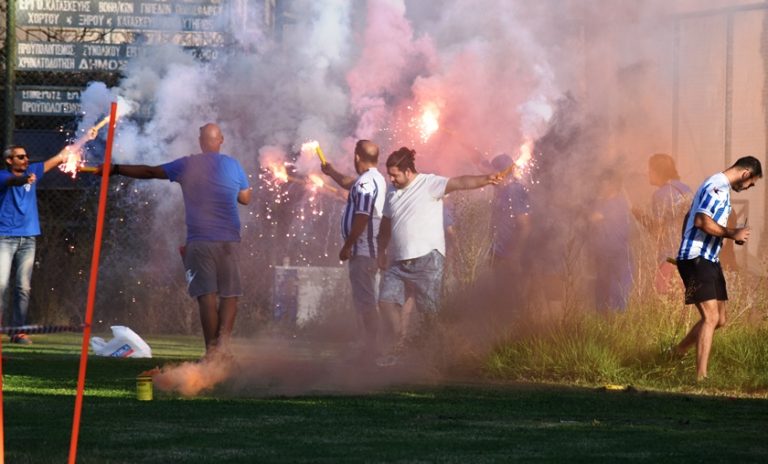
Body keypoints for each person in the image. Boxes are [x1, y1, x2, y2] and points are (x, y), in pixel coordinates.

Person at [98, 123, 251, 356]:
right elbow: (245, 198)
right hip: (229, 240)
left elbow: (150, 172)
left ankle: (213, 354)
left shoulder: (187, 165)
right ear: (221, 140)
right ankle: (223, 349)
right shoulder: (233, 165)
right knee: (230, 295)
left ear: (201, 142)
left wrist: (116, 168)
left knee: (206, 296)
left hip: (199, 242)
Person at [376, 147, 502, 364]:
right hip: (398, 262)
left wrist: (486, 179)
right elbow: (386, 224)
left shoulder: (429, 184)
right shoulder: (391, 191)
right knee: (386, 301)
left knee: (429, 314)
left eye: (395, 175)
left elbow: (460, 182)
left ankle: (437, 358)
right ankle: (400, 344)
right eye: (390, 175)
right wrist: (380, 250)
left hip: (428, 260)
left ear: (408, 171)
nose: (392, 179)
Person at [672, 156, 761, 381]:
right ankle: (700, 378)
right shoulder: (717, 187)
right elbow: (701, 221)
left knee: (720, 319)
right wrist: (732, 233)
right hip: (696, 258)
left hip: (709, 258)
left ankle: (677, 351)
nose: (750, 187)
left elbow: (690, 216)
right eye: (752, 182)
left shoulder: (721, 189)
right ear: (746, 174)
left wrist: (730, 236)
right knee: (710, 317)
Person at [0, 137, 94, 344]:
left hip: (29, 238)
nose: (25, 160)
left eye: (26, 157)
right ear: (9, 161)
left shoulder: (33, 170)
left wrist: (86, 137)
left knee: (23, 287)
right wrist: (25, 180)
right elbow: (12, 181)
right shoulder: (3, 176)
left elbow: (61, 156)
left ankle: (18, 332)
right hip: (5, 237)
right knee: (1, 284)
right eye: (20, 157)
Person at [320, 140, 386, 357]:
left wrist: (347, 245)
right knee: (365, 299)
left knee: (365, 301)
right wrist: (332, 172)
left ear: (357, 157)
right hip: (368, 251)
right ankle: (367, 344)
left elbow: (362, 216)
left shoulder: (366, 183)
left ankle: (370, 346)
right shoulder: (373, 178)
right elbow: (351, 183)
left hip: (363, 251)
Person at [633, 153, 692, 293]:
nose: (647, 173)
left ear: (658, 172)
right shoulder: (686, 189)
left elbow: (657, 232)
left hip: (670, 259)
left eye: (650, 170)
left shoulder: (661, 195)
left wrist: (639, 216)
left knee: (666, 300)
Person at [588, 168, 634, 312]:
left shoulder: (614, 203)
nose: (600, 186)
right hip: (605, 252)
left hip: (614, 252)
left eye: (603, 182)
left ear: (612, 184)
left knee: (613, 289)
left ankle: (613, 321)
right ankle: (605, 321)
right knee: (604, 288)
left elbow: (593, 218)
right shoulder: (613, 201)